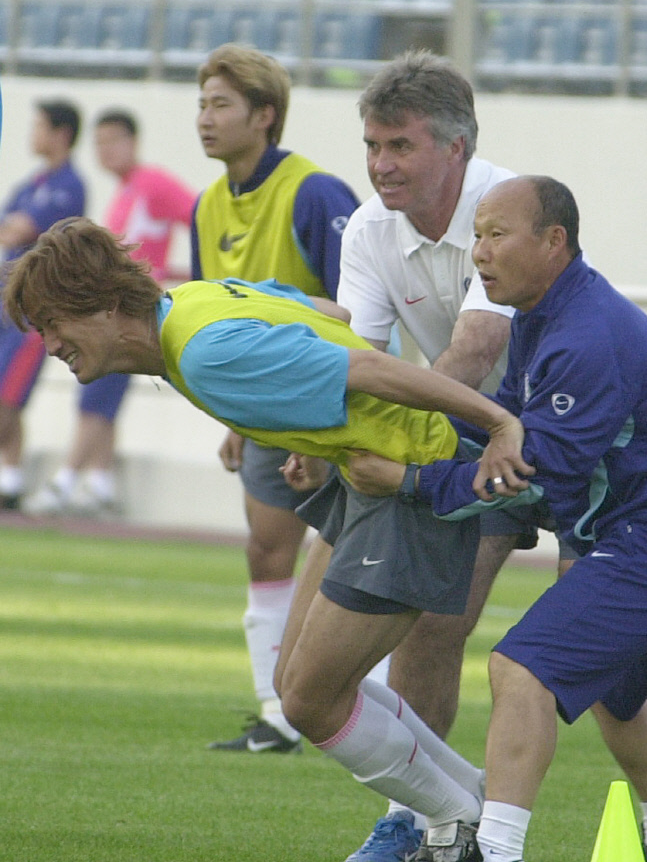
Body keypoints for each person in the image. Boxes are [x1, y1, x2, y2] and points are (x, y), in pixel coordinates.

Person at [3, 215, 532, 859]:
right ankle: (466, 801)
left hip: (409, 477)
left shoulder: (203, 351)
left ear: (107, 306)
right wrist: (300, 420)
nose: (49, 343)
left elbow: (368, 366)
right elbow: (327, 314)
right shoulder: (191, 302)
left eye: (54, 322)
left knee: (310, 701)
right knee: (295, 684)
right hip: (365, 477)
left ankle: (459, 822)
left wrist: (499, 423)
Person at [286, 50, 577, 862]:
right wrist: (322, 438)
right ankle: (419, 822)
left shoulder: (507, 205)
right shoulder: (369, 230)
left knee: (613, 670)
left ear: (455, 147)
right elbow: (358, 355)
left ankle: (460, 822)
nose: (380, 164)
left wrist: (387, 442)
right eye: (372, 145)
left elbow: (476, 348)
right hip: (471, 442)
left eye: (400, 145)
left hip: (569, 440)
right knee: (430, 627)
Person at [346, 175, 647, 862]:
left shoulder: (586, 337)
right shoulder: (543, 314)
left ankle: (496, 850)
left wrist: (407, 478)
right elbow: (502, 423)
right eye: (476, 236)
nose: (479, 253)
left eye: (496, 235)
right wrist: (395, 432)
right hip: (616, 529)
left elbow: (529, 471)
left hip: (634, 534)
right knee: (621, 699)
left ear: (553, 241)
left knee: (522, 666)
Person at [191, 43, 361, 753]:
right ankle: (277, 712)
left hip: (334, 405)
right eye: (202, 104)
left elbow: (360, 309)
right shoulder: (206, 205)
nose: (205, 118)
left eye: (220, 104)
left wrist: (323, 418)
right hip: (264, 411)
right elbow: (208, 314)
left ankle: (348, 703)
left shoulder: (314, 193)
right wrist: (235, 414)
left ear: (264, 115)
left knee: (350, 559)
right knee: (266, 550)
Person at [25, 108, 197, 517]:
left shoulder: (153, 183)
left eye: (111, 141)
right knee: (104, 390)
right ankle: (100, 481)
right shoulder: (126, 191)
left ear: (131, 142)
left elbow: (198, 215)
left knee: (95, 393)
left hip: (133, 311)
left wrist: (199, 277)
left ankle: (65, 479)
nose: (104, 151)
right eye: (98, 143)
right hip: (116, 308)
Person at [0, 99, 86, 510]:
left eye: (40, 126)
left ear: (61, 134)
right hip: (7, 307)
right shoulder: (31, 184)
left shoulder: (70, 185)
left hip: (34, 312)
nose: (32, 133)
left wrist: (14, 230)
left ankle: (10, 479)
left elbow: (21, 229)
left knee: (9, 395)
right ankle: (11, 478)